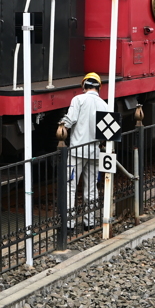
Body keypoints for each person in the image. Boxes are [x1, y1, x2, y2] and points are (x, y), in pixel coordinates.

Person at [60, 72, 109, 228]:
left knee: (70, 187)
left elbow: (70, 120)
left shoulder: (78, 99)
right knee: (91, 188)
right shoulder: (104, 104)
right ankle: (90, 222)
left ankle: (69, 224)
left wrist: (61, 126)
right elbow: (106, 133)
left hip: (76, 152)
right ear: (98, 88)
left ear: (84, 86)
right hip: (94, 152)